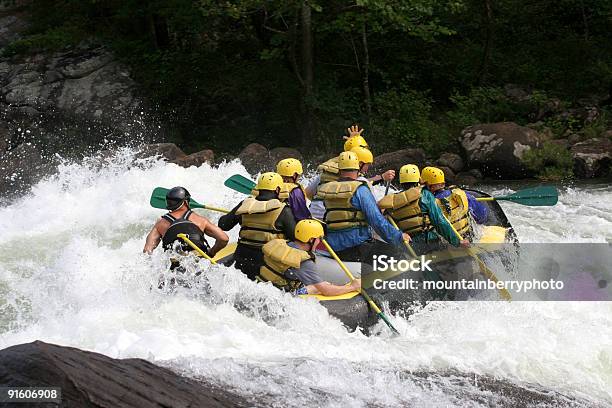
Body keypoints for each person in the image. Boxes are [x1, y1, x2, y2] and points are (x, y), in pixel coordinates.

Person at [317, 150, 410, 262]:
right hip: (357, 246)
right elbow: (376, 220)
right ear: (358, 167)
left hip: (334, 247)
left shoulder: (329, 190)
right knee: (399, 254)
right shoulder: (360, 189)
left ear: (339, 169)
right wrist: (398, 236)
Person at [218, 172, 296, 280]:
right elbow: (296, 238)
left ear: (258, 188)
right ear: (278, 190)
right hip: (267, 266)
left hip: (241, 261)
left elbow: (223, 225)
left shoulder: (245, 205)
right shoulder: (284, 211)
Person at [306, 125, 395, 219]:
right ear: (359, 161)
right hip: (334, 224)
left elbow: (308, 193)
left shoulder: (326, 172)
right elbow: (374, 211)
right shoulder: (361, 182)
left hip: (314, 218)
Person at [377, 165, 469, 254]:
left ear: (401, 182)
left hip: (410, 246)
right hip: (430, 242)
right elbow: (439, 221)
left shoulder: (392, 202)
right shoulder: (425, 195)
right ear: (418, 180)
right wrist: (457, 242)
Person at [259, 219, 361, 296]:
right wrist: (352, 286)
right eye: (319, 239)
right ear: (311, 240)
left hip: (264, 289)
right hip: (286, 297)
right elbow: (327, 291)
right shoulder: (304, 261)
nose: (319, 242)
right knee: (319, 287)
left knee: (317, 285)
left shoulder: (279, 244)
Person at [143, 186, 229, 256]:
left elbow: (147, 251)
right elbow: (223, 238)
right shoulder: (200, 220)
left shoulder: (160, 224)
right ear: (185, 202)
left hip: (173, 267)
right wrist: (211, 252)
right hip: (198, 263)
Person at [421, 166, 489, 240]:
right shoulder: (460, 194)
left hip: (446, 244)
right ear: (443, 183)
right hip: (468, 237)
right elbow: (481, 216)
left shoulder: (426, 203)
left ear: (428, 186)